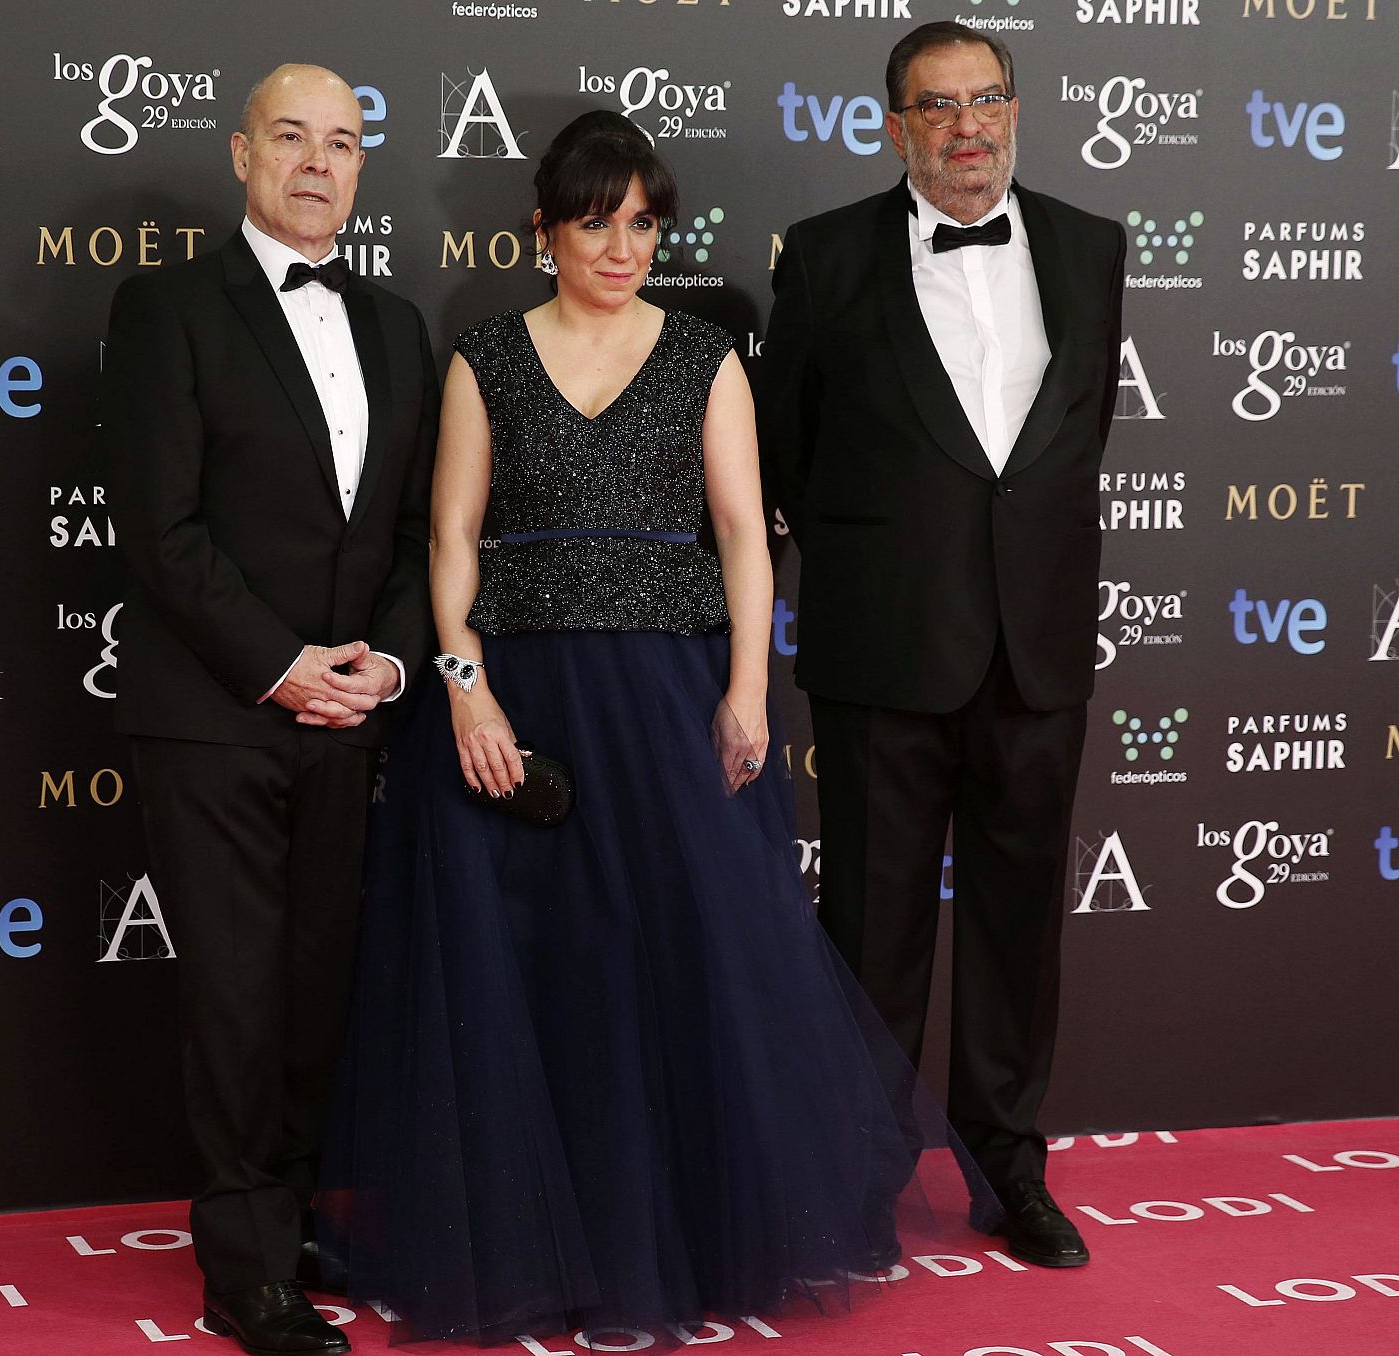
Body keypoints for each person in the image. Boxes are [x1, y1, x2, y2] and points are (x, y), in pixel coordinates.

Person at [317, 110, 992, 1345]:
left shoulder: (703, 357)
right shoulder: (484, 356)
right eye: (596, 221)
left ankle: (663, 1246)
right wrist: (464, 685)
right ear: (544, 228)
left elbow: (744, 534)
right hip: (515, 704)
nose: (623, 245)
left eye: (642, 222)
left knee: (666, 963)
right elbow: (449, 539)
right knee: (529, 970)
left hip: (668, 701)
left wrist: (746, 688)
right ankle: (531, 1249)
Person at [757, 22, 1125, 1269]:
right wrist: (893, 560)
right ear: (894, 124)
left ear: (1015, 109)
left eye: (987, 100)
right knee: (873, 930)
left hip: (1037, 649)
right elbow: (786, 453)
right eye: (938, 106)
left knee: (1021, 927)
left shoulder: (1089, 245)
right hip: (884, 651)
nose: (968, 127)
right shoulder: (821, 258)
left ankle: (1005, 1168)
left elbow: (1066, 452)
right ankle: (858, 1178)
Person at [101, 64, 438, 1355]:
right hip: (216, 714)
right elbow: (159, 531)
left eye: (341, 142)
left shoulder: (399, 325)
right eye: (290, 137)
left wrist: (387, 669)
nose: (316, 162)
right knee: (238, 997)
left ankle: (289, 1218)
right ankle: (243, 1267)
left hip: (352, 719)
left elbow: (416, 535)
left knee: (315, 987)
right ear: (242, 155)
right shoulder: (168, 308)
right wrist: (280, 662)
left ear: (361, 167)